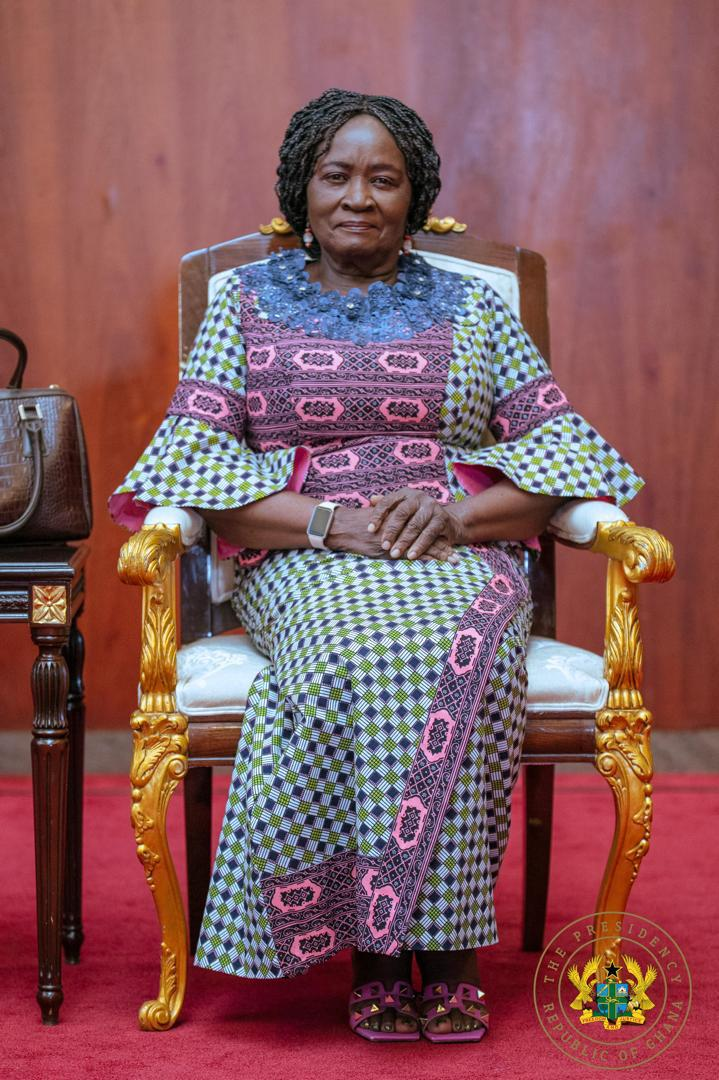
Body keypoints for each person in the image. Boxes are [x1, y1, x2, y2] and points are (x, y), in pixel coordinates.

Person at [110, 88, 643, 1043]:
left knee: (451, 644)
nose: (360, 196)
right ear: (301, 191)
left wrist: (454, 513)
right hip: (301, 556)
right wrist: (329, 523)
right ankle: (374, 951)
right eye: (337, 175)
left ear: (415, 196)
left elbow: (569, 458)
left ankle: (442, 952)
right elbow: (188, 465)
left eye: (384, 179)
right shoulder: (242, 303)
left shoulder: (476, 307)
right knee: (356, 649)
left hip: (457, 548)